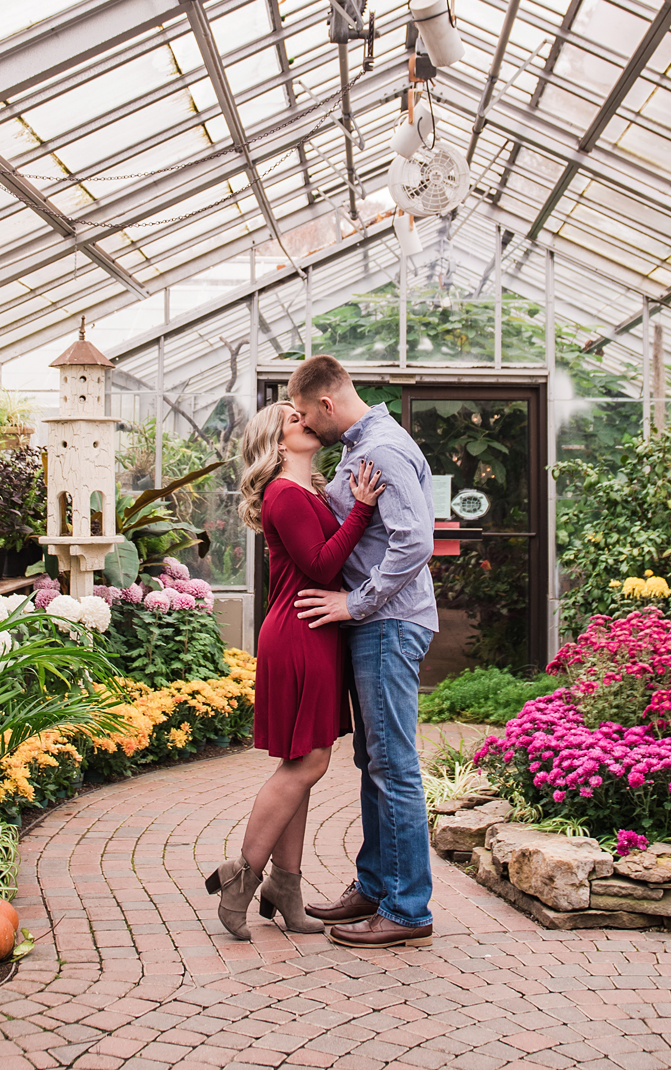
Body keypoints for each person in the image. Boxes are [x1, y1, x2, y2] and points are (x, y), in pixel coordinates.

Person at [205, 401, 386, 940]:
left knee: (303, 761)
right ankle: (243, 875)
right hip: (300, 633)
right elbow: (323, 565)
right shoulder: (283, 493)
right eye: (292, 418)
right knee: (308, 763)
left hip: (315, 631)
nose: (306, 420)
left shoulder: (308, 491)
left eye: (304, 413)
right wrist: (361, 510)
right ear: (278, 444)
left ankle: (286, 886)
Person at [289, 354, 439, 949]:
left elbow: (415, 541)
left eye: (304, 415)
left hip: (388, 624)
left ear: (326, 404)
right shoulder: (361, 446)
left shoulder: (382, 449)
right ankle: (376, 886)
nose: (305, 425)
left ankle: (407, 910)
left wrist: (356, 604)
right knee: (373, 763)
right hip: (378, 624)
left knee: (393, 764)